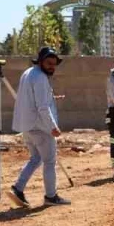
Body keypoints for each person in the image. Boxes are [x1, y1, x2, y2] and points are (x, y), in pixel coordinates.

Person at [10, 47, 70, 207]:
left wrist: (51, 97)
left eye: (54, 64)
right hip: (41, 127)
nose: (52, 67)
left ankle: (18, 188)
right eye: (49, 63)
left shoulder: (28, 73)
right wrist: (53, 126)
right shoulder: (41, 78)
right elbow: (42, 107)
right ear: (41, 61)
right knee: (49, 161)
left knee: (36, 159)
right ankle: (51, 196)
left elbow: (31, 99)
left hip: (28, 126)